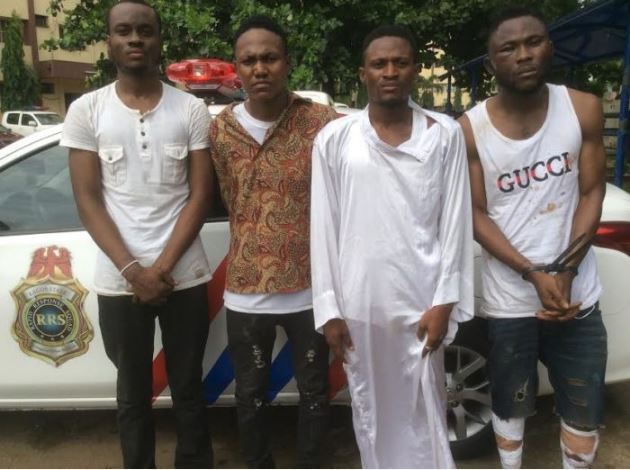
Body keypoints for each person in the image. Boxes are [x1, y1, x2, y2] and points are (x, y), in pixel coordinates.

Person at [310, 25, 474, 468]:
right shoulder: (335, 139)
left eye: (400, 63)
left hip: (423, 299)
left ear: (415, 70)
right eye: (379, 64)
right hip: (359, 302)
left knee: (425, 405)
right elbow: (323, 227)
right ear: (362, 73)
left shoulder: (443, 134)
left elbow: (455, 223)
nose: (389, 72)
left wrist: (445, 301)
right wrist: (329, 310)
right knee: (370, 407)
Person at [61, 0, 214, 467]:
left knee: (188, 388)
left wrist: (159, 270)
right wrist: (134, 271)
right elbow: (88, 200)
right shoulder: (87, 111)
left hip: (183, 275)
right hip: (119, 280)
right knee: (131, 393)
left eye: (145, 31)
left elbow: (201, 195)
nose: (135, 39)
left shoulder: (190, 109)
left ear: (159, 39)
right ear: (109, 41)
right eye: (124, 31)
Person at [458, 6, 607, 469]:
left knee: (583, 412)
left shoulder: (582, 108)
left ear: (550, 48)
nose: (524, 55)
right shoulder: (470, 129)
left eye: (534, 42)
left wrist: (565, 271)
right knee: (509, 407)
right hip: (510, 302)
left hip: (577, 296)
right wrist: (532, 272)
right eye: (509, 48)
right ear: (491, 63)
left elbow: (592, 191)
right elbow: (475, 213)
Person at [209, 15, 337, 469]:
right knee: (250, 393)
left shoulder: (322, 123)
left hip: (310, 287)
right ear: (237, 67)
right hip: (247, 291)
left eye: (270, 58)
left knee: (315, 390)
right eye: (249, 60)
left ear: (287, 62)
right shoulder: (220, 130)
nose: (260, 68)